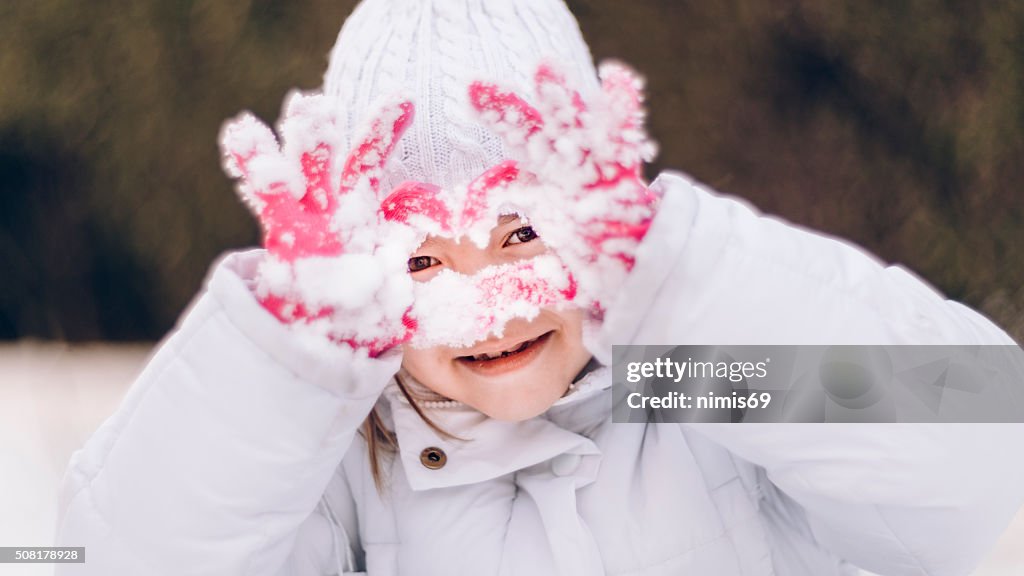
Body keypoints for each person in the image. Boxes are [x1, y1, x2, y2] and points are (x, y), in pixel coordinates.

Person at [54, 0, 1024, 574]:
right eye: (422, 259)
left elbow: (980, 434)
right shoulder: (335, 467)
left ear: (602, 212)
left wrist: (684, 282)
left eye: (523, 232)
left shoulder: (697, 395)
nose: (492, 298)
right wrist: (286, 370)